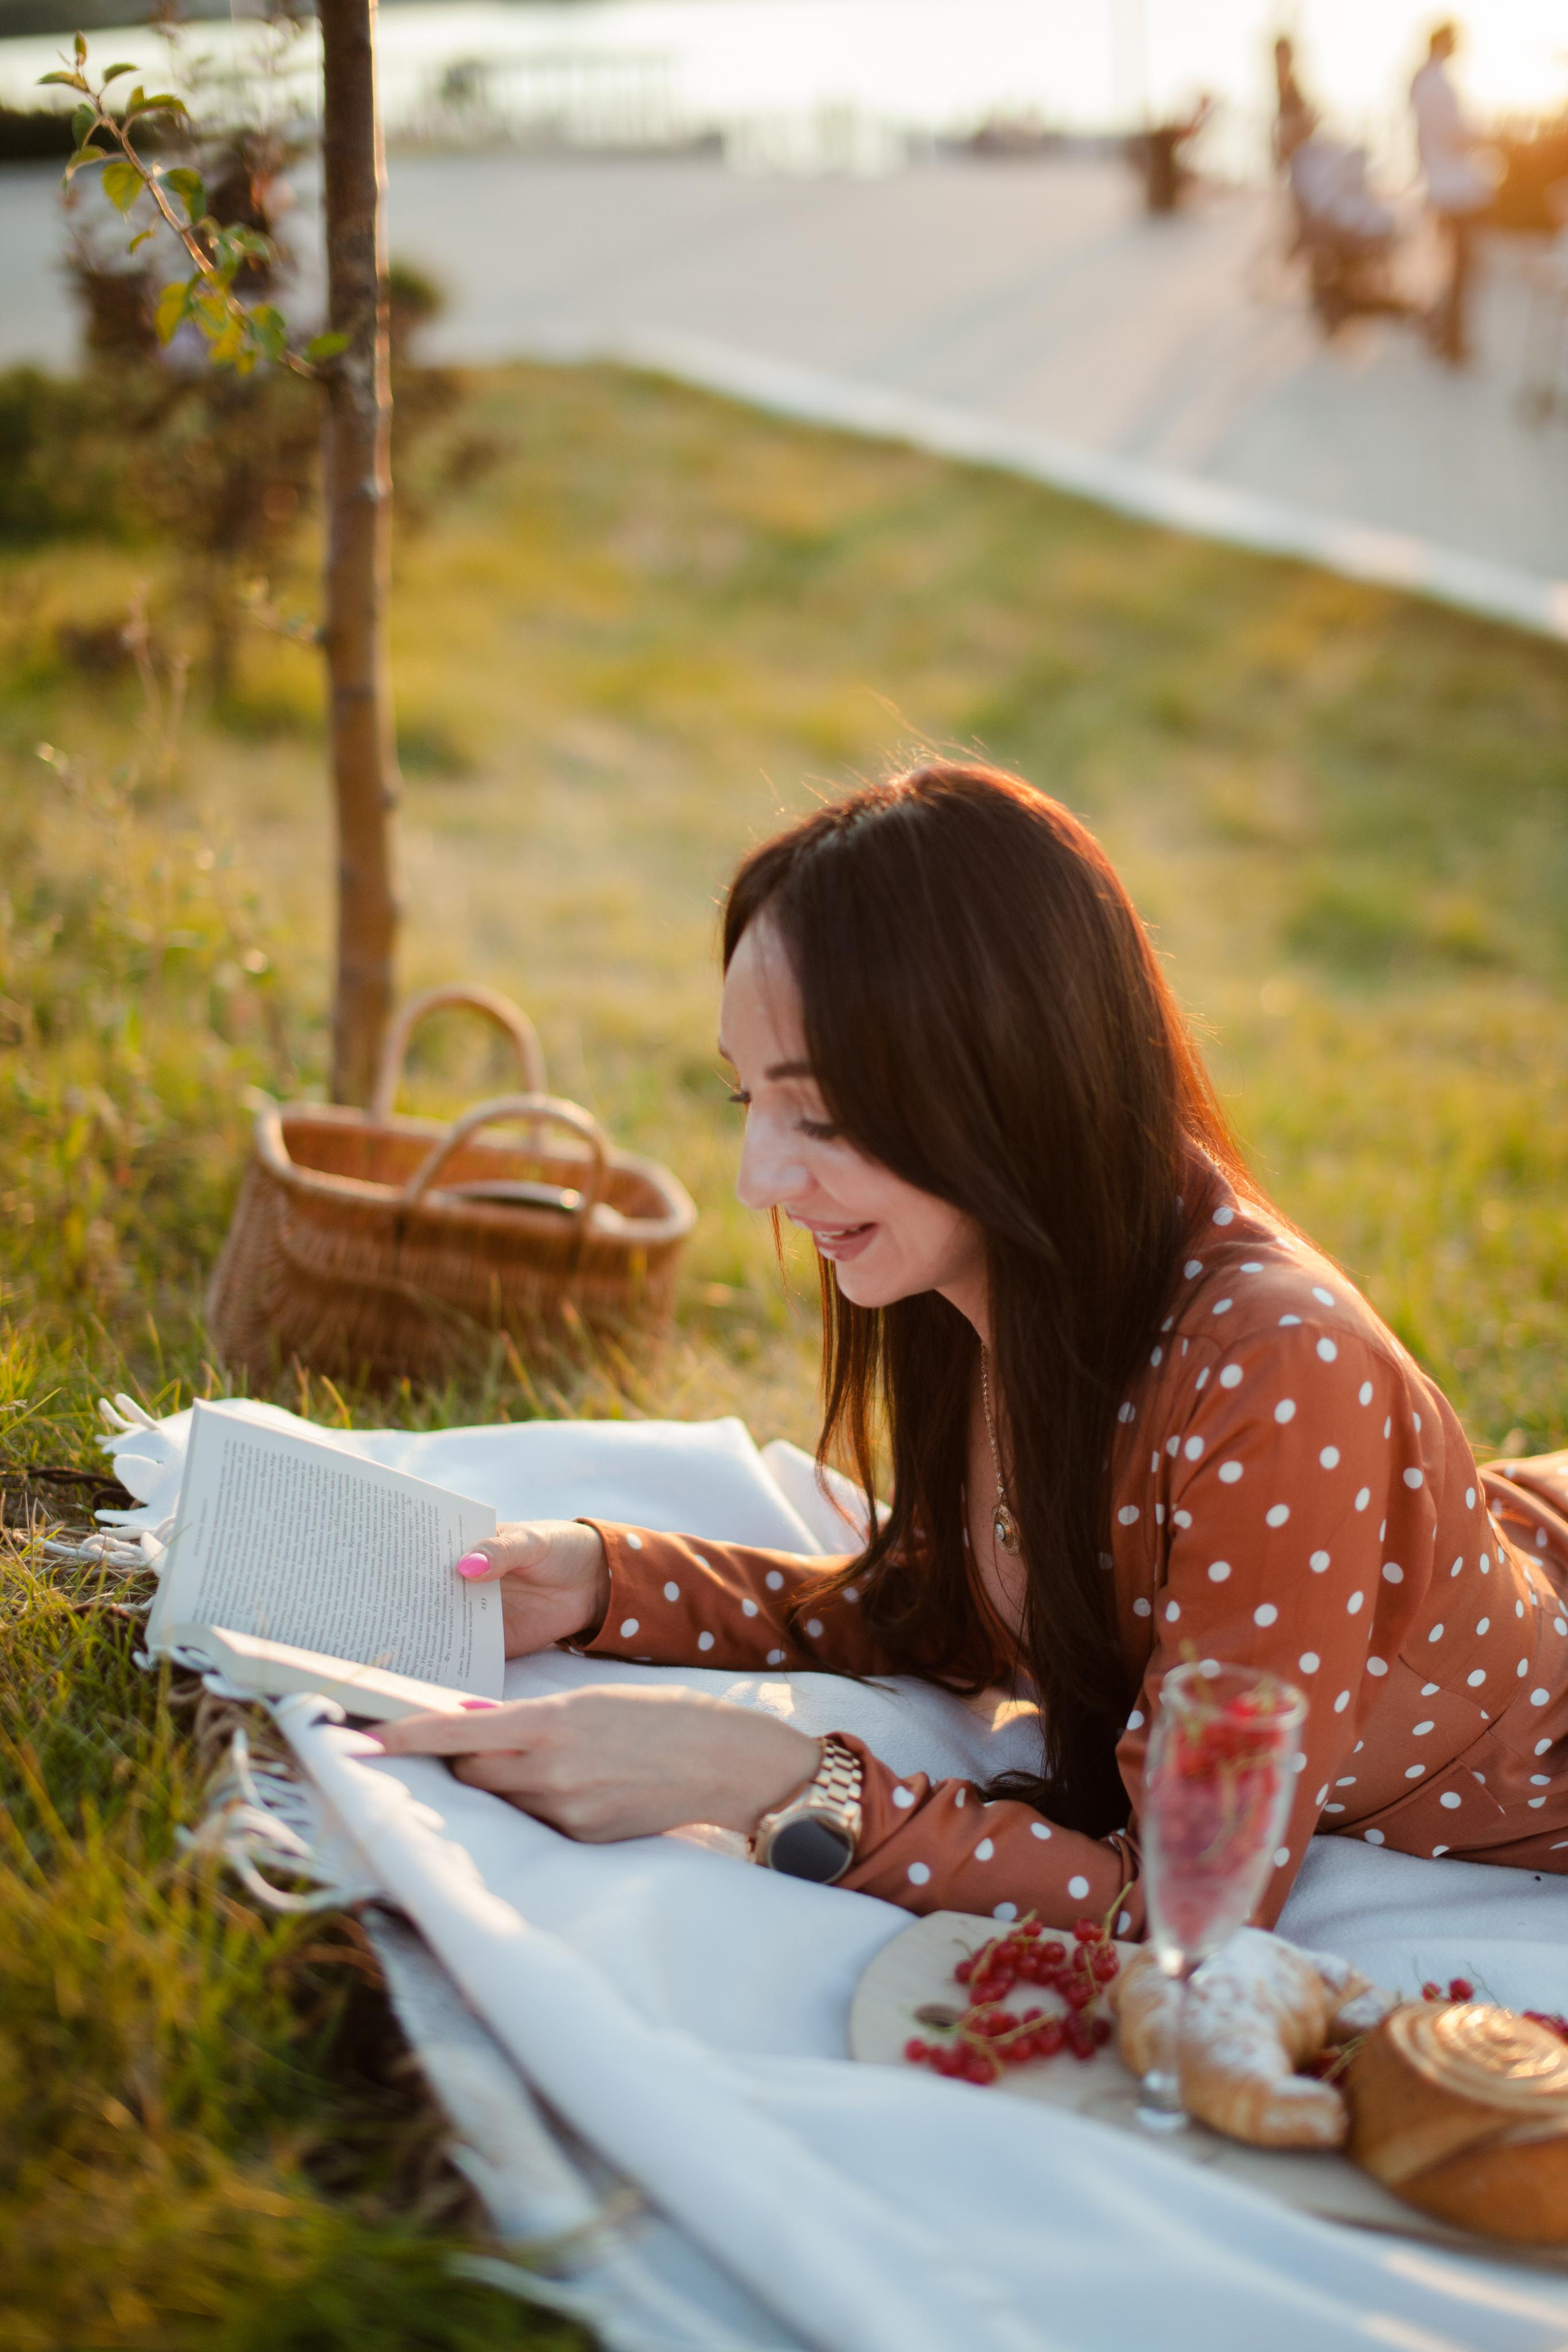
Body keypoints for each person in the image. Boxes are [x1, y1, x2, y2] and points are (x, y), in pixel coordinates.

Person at [377, 765, 1568, 1937]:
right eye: (748, 1101)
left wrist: (775, 1786)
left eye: (820, 1114)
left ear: (1006, 1081)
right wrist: (602, 1583)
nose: (757, 1182)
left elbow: (1179, 1907)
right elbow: (953, 1613)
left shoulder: (1281, 1372)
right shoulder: (987, 1269)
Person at [1410, 21, 1495, 364]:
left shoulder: (1423, 81)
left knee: (1453, 267)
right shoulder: (1437, 84)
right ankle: (1452, 342)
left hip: (1441, 186)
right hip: (1456, 191)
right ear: (1444, 42)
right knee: (1461, 269)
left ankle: (1445, 335)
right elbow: (1454, 135)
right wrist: (1486, 135)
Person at [1272, 36, 1315, 175]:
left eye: (1286, 56)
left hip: (1302, 148)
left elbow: (1302, 117)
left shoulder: (1292, 82)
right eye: (1280, 57)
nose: (1283, 61)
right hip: (1294, 150)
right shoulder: (1281, 83)